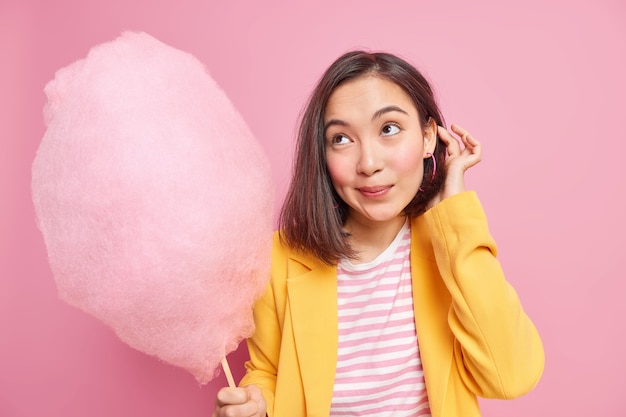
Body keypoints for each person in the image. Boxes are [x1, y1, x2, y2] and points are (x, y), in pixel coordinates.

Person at [213, 51, 544, 417]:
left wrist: (455, 212)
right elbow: (269, 373)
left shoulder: (450, 244)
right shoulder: (276, 258)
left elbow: (510, 377)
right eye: (341, 139)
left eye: (389, 129)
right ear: (321, 155)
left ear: (429, 137)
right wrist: (257, 403)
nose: (369, 163)